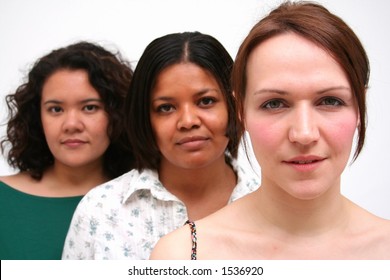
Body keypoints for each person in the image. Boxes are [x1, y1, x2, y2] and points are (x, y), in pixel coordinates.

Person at [150, 1, 390, 260]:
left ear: (360, 106)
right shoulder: (182, 255)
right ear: (241, 110)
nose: (304, 133)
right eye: (274, 103)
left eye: (330, 101)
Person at [62, 31, 259, 260]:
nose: (188, 121)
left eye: (206, 101)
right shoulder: (100, 211)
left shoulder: (276, 205)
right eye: (166, 107)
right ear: (145, 118)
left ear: (235, 106)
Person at [0, 41, 134, 260]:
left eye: (89, 107)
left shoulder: (146, 200)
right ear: (37, 117)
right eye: (56, 109)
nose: (71, 124)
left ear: (117, 113)